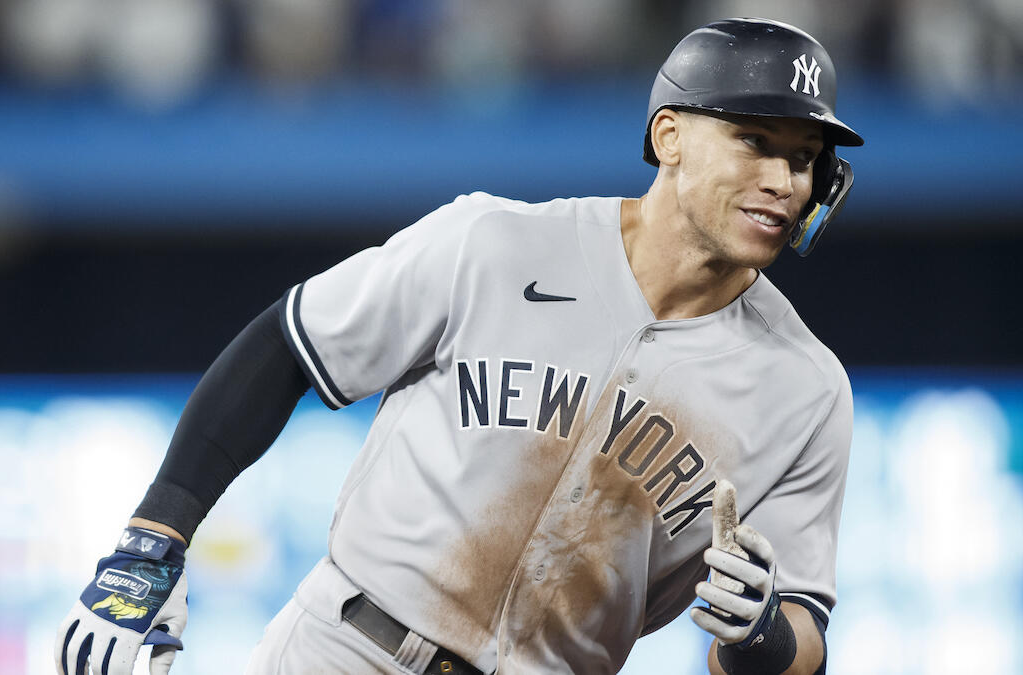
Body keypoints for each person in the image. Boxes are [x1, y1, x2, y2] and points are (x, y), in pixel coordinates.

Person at [55, 16, 862, 675]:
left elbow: (802, 637)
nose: (783, 181)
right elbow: (288, 345)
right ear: (671, 135)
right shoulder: (496, 242)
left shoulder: (805, 388)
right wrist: (153, 541)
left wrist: (762, 637)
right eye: (756, 141)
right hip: (346, 648)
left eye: (803, 159)